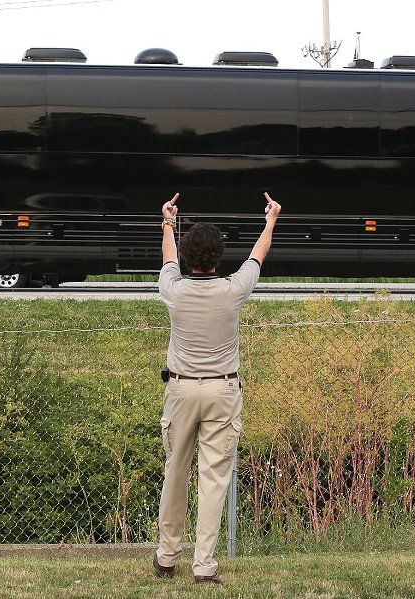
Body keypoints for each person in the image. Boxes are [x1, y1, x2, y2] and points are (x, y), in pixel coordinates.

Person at [153, 191, 281, 585]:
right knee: (213, 481)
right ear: (218, 257)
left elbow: (167, 259)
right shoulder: (233, 290)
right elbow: (256, 256)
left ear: (188, 256)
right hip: (223, 392)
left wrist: (168, 222)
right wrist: (270, 220)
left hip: (180, 390)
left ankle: (166, 557)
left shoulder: (174, 290)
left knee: (175, 473)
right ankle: (204, 566)